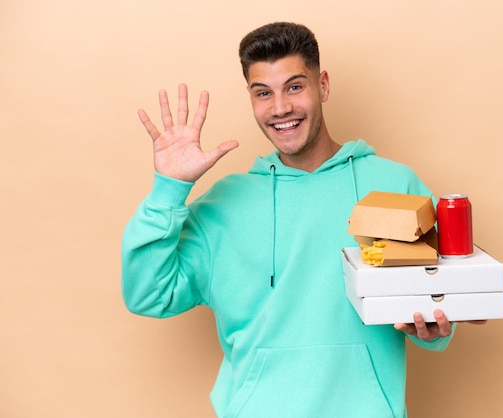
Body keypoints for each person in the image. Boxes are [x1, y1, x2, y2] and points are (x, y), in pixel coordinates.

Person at [122, 22, 475, 417]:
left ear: (322, 85)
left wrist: (434, 329)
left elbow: (439, 300)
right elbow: (148, 295)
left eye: (294, 86)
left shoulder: (396, 185)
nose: (280, 108)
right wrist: (168, 189)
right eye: (263, 93)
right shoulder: (223, 205)